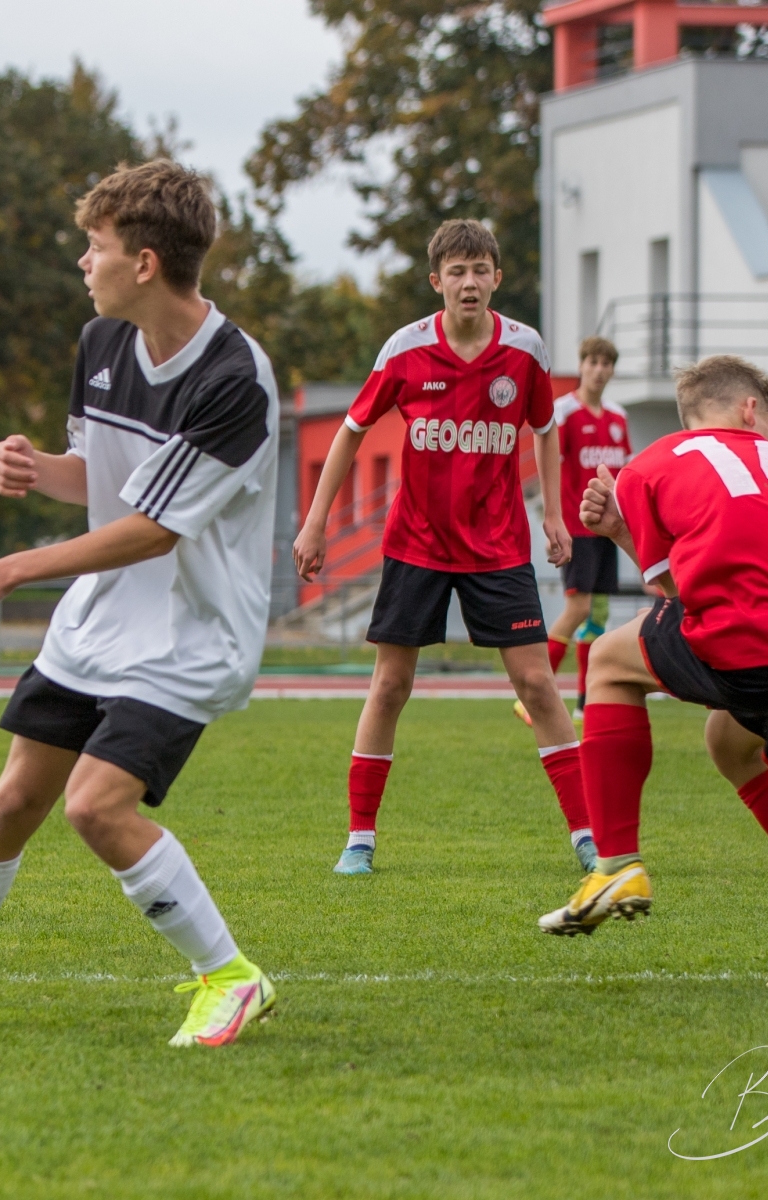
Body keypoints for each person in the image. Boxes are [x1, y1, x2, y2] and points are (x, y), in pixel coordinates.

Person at [0, 160, 280, 1047]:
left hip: (188, 633)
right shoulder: (101, 341)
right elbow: (106, 483)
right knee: (11, 805)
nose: (83, 261)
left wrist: (11, 568)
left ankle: (232, 977)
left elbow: (154, 529)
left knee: (96, 807)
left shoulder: (237, 378)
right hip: (99, 618)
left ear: (144, 262)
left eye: (95, 246)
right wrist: (37, 470)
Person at [538, 355, 768, 987]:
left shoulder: (648, 466)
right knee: (731, 743)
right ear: (751, 410)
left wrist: (617, 528)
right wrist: (622, 530)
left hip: (762, 644)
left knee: (610, 662)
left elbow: (674, 591)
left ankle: (614, 863)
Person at [294, 218, 594, 878]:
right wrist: (316, 523)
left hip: (499, 547)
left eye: (480, 269)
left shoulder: (525, 349)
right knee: (390, 684)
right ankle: (359, 840)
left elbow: (545, 428)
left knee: (537, 684)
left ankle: (586, 835)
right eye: (457, 271)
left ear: (497, 278)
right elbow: (350, 430)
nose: (469, 282)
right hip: (417, 545)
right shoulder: (404, 350)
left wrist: (554, 515)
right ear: (437, 281)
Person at [516, 336, 629, 725]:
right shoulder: (564, 412)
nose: (599, 370)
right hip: (578, 527)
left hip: (609, 530)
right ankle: (531, 696)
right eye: (592, 362)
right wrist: (556, 519)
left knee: (598, 613)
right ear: (581, 365)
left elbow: (624, 475)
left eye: (606, 363)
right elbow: (550, 462)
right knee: (578, 608)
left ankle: (584, 700)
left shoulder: (618, 417)